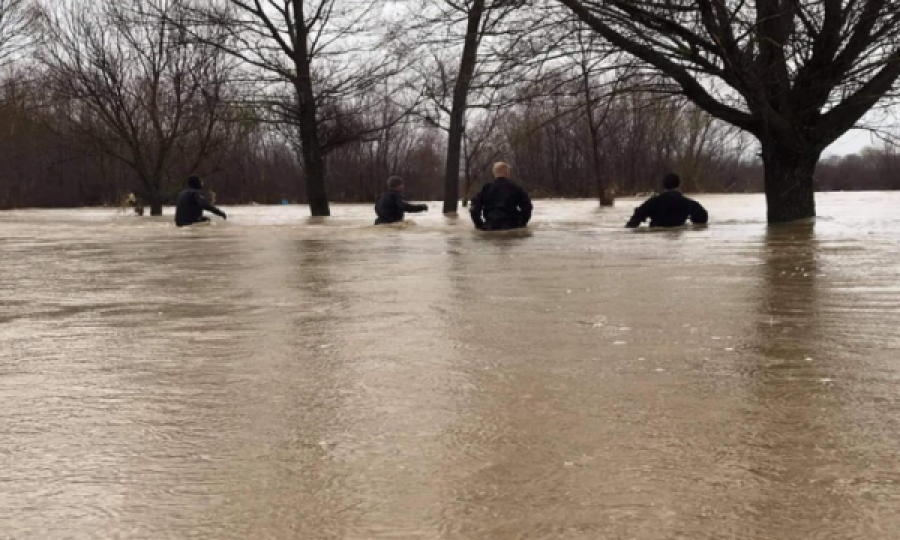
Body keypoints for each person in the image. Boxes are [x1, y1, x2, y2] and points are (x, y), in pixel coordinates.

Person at [625, 173, 708, 228]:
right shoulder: (688, 203)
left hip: (656, 232)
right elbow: (702, 218)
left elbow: (634, 221)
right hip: (678, 227)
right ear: (679, 184)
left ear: (663, 185)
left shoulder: (653, 202)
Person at [470, 162, 533, 231]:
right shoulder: (515, 188)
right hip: (512, 225)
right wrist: (522, 223)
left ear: (494, 173)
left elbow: (474, 208)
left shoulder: (485, 189)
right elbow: (527, 207)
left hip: (491, 226)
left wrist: (480, 225)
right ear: (507, 173)